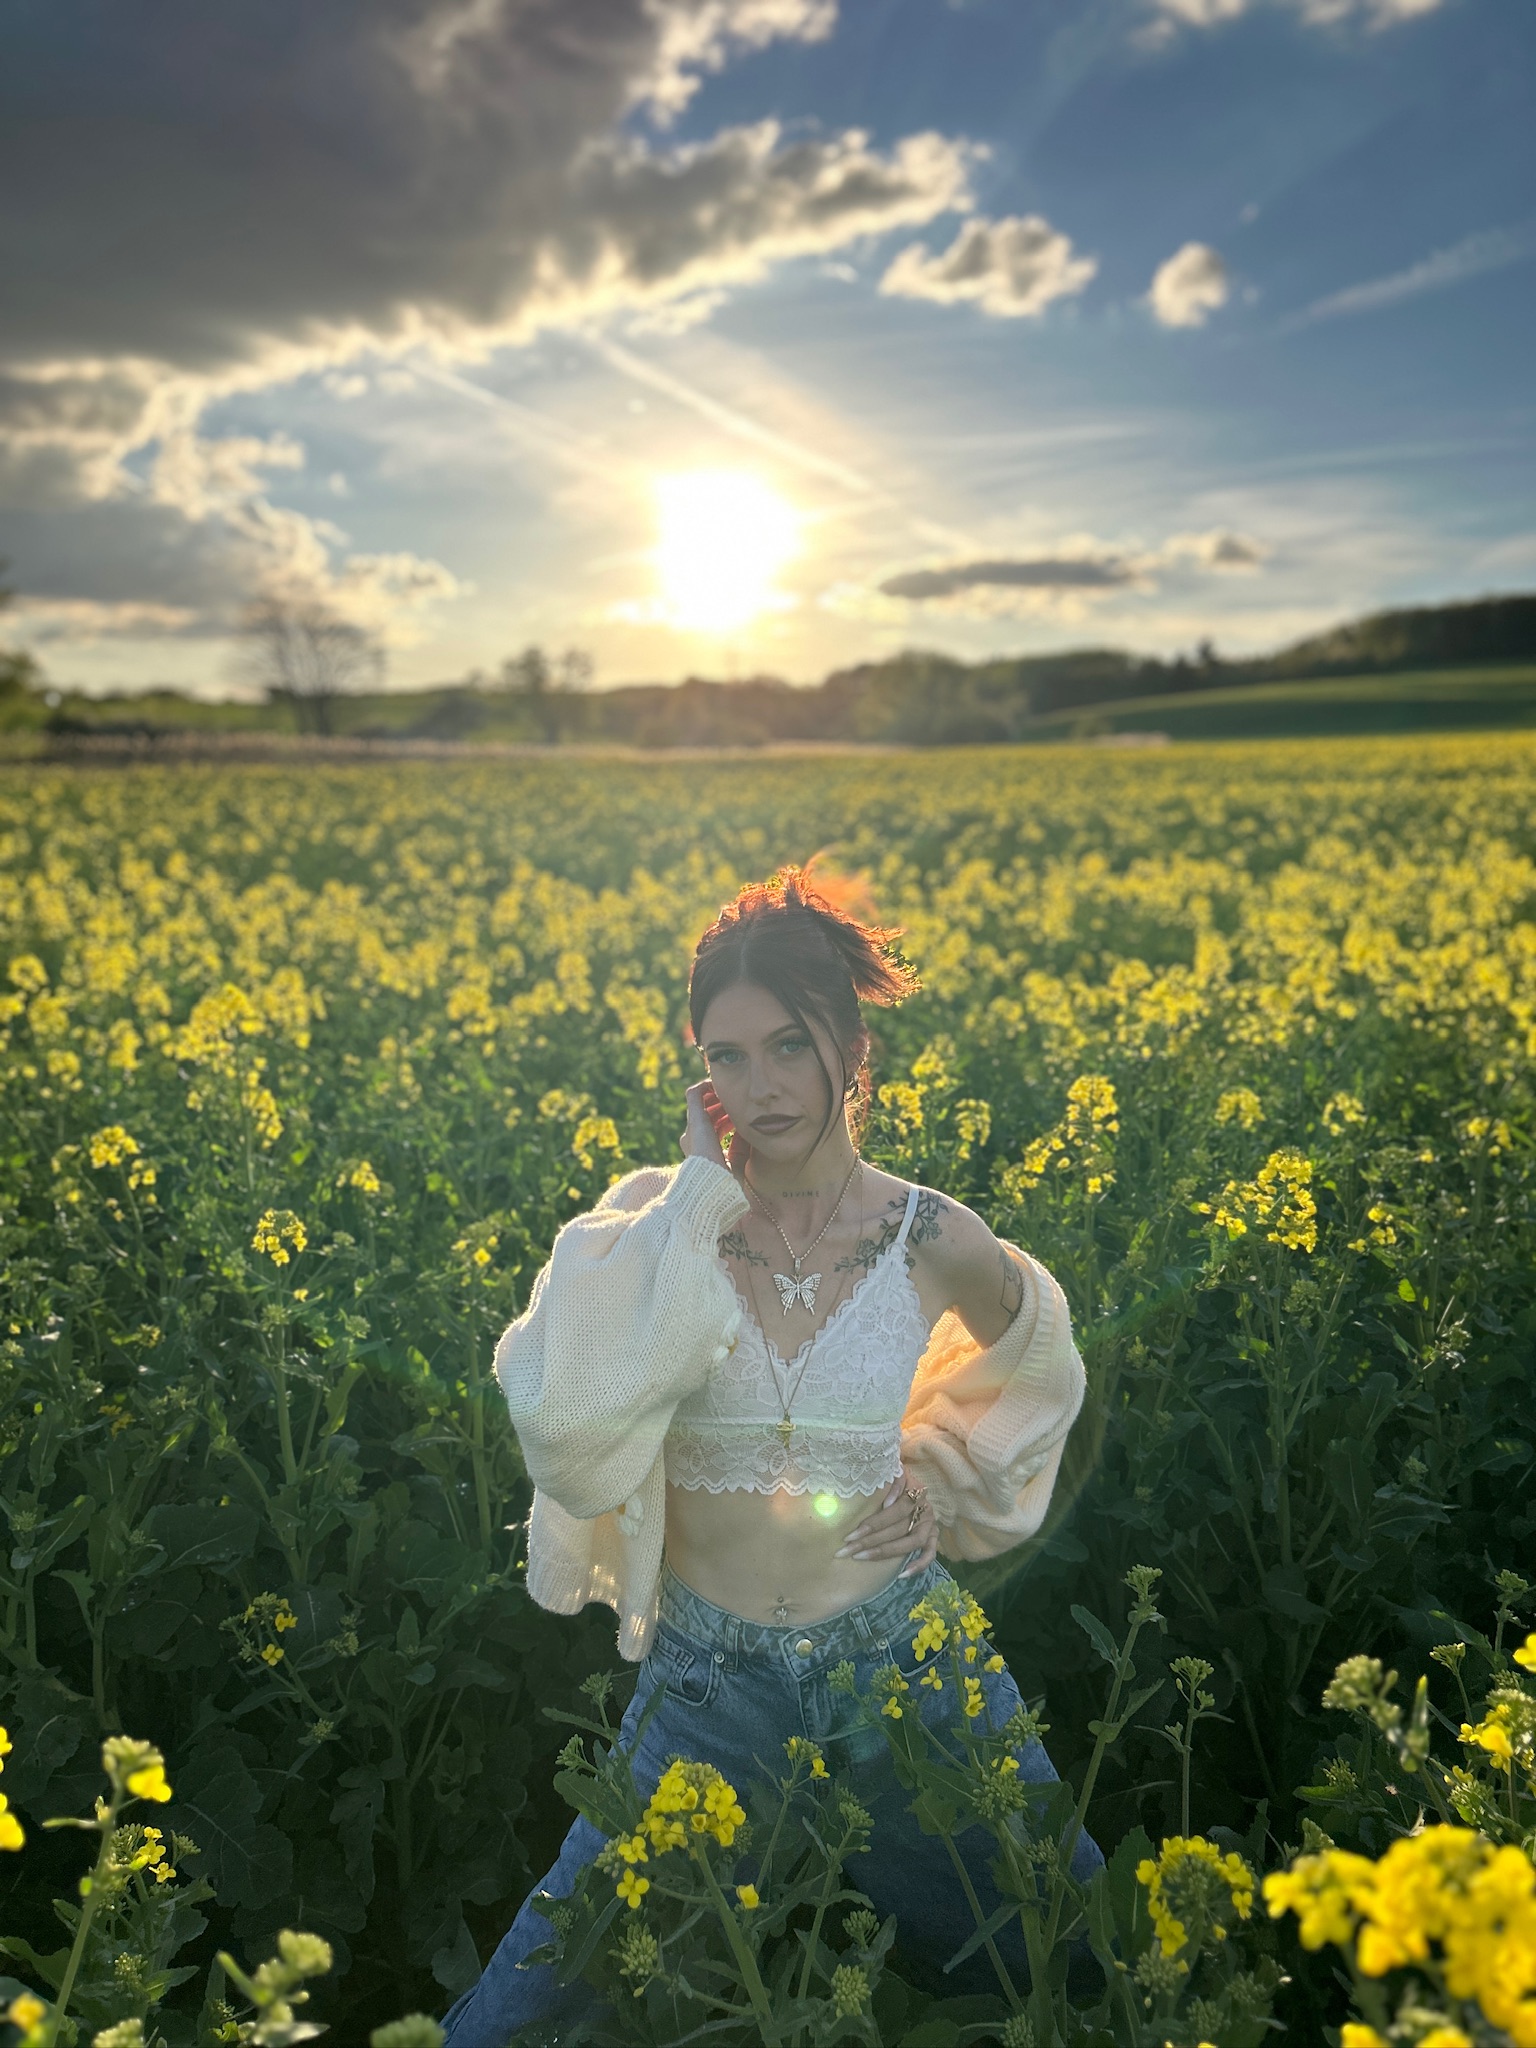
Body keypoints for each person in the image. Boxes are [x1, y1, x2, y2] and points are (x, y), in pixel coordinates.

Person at [441, 868, 1100, 2044]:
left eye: (788, 1045)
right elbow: (568, 1432)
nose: (759, 1086)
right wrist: (696, 1195)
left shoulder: (932, 1233)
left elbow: (1040, 1356)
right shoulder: (656, 1223)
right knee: (522, 2020)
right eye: (726, 1055)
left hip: (906, 1666)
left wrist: (938, 1477)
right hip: (704, 1687)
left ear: (853, 1043)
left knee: (1080, 1964)